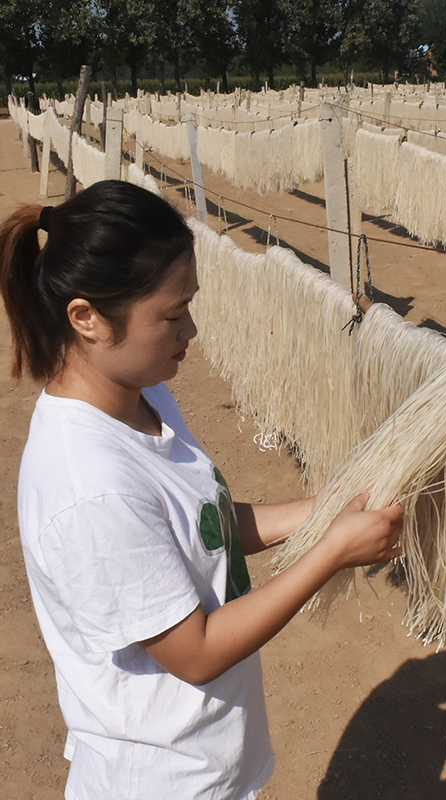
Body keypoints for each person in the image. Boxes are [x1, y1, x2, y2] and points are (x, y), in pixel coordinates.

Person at [0, 180, 404, 800]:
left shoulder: (143, 395)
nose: (190, 330)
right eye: (171, 313)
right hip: (163, 781)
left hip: (205, 761)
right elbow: (197, 652)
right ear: (86, 318)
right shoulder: (90, 487)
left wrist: (319, 512)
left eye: (189, 304)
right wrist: (331, 553)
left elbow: (202, 528)